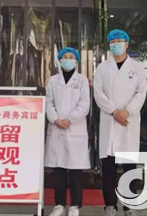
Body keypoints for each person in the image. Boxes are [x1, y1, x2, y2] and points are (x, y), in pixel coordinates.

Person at [93, 30, 147, 216]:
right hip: (110, 120)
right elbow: (98, 93)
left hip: (128, 122)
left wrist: (127, 111)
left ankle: (129, 206)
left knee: (129, 168)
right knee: (108, 169)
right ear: (109, 45)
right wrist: (115, 111)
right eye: (113, 41)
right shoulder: (102, 68)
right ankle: (110, 205)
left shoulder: (137, 68)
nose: (116, 44)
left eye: (120, 41)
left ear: (127, 44)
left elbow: (141, 92)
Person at [45, 47, 91, 216]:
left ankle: (75, 206)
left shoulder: (82, 80)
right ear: (59, 60)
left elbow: (84, 105)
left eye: (71, 57)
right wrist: (55, 119)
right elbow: (48, 102)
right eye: (65, 57)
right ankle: (59, 205)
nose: (68, 60)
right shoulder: (53, 80)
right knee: (59, 170)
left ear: (76, 61)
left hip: (75, 129)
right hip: (57, 128)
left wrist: (70, 119)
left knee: (75, 170)